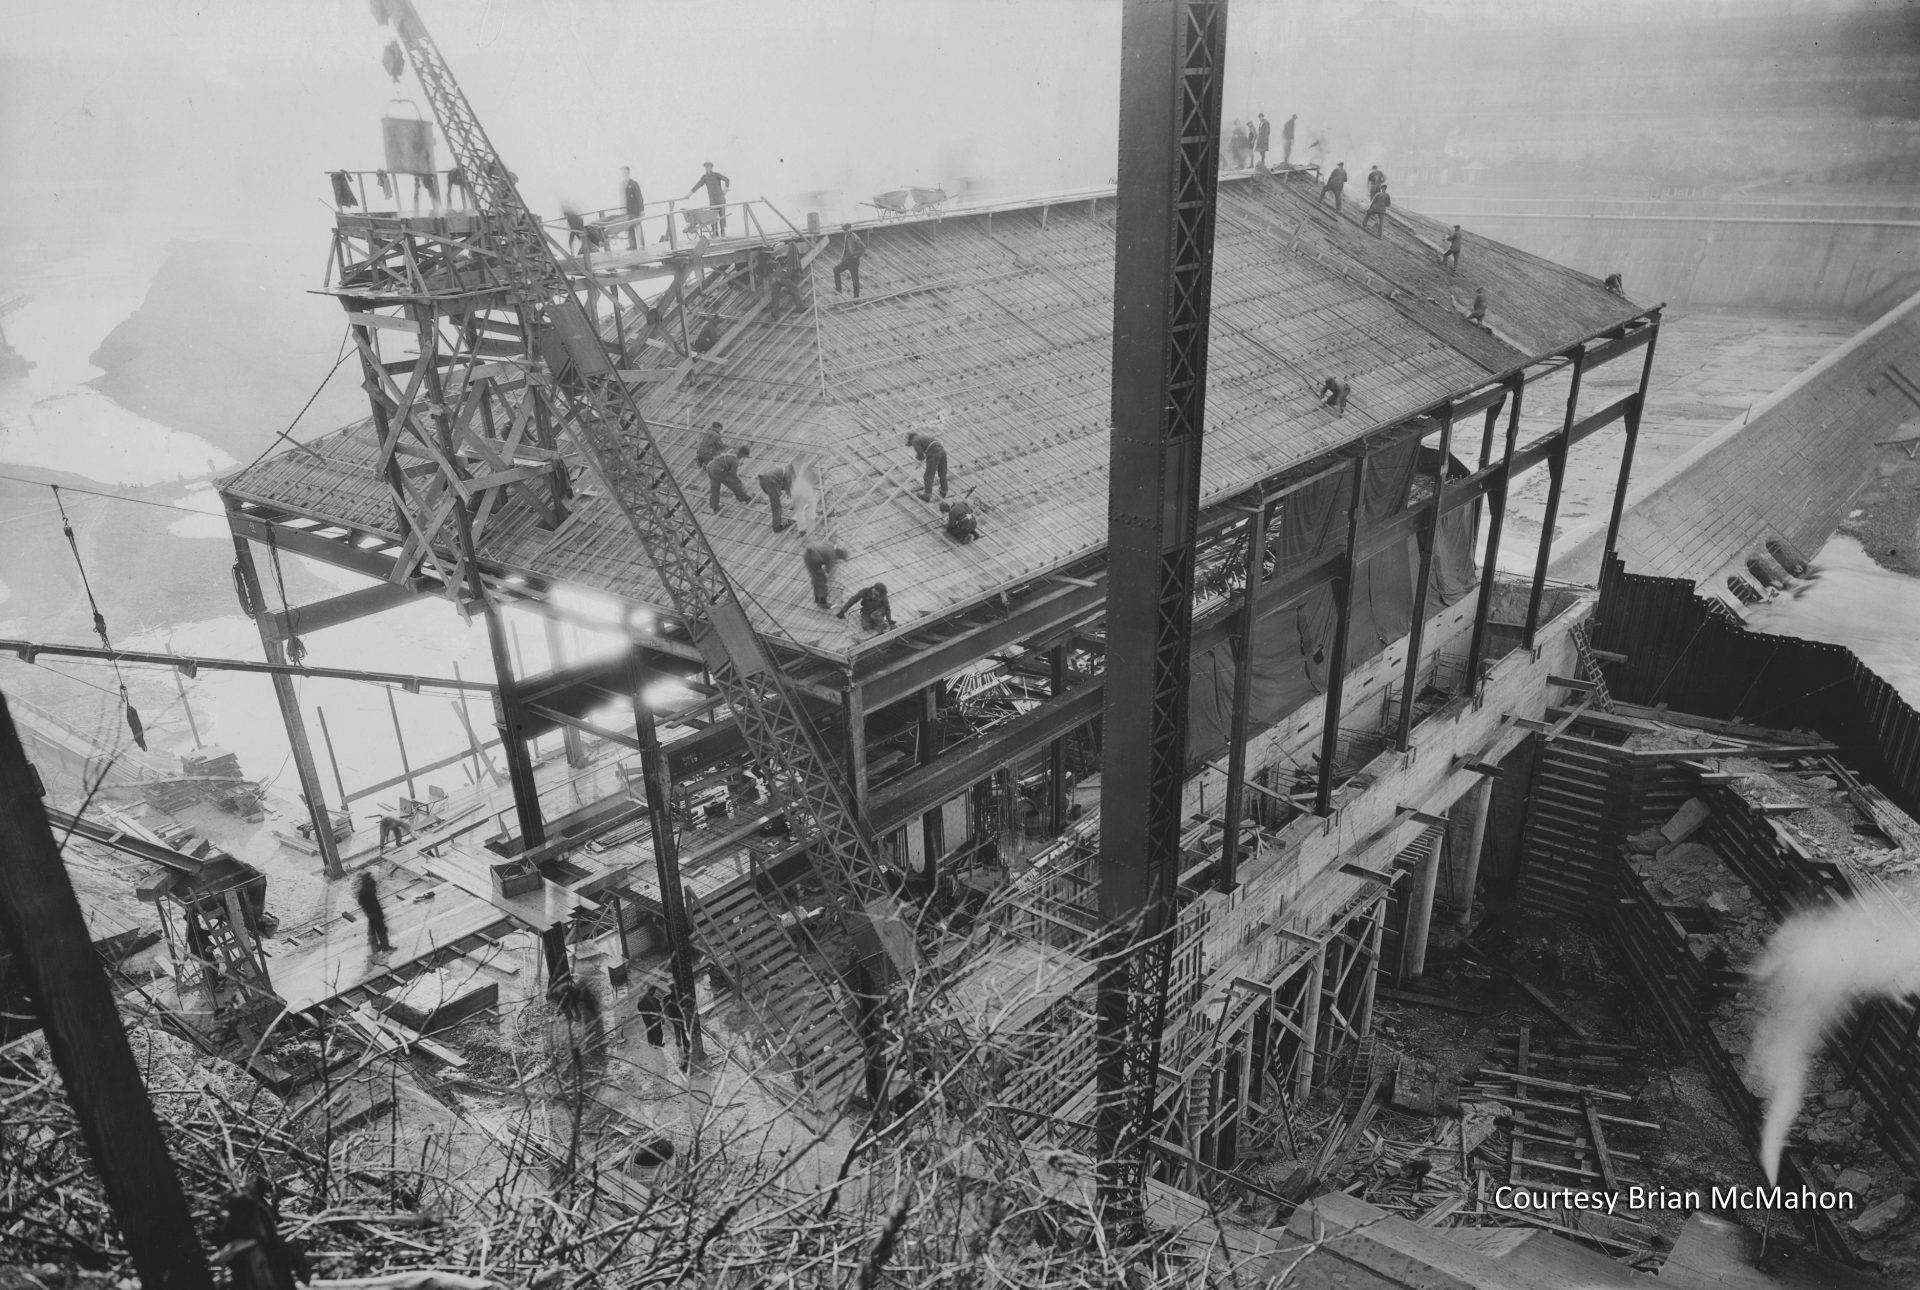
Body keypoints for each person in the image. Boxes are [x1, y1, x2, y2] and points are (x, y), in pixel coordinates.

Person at [686, 162, 730, 234]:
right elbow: (697, 185)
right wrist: (689, 195)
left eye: (709, 167)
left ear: (712, 167)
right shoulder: (704, 178)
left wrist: (725, 191)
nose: (707, 168)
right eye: (706, 167)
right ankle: (715, 233)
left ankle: (723, 232)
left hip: (720, 199)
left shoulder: (716, 175)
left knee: (722, 216)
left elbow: (727, 180)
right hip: (712, 201)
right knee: (713, 217)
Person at [804, 540, 850, 607]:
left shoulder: (831, 546)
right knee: (821, 580)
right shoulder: (832, 555)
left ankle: (817, 599)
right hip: (813, 559)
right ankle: (822, 603)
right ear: (840, 555)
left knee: (816, 579)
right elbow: (828, 570)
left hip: (808, 556)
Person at [356, 872, 393, 954]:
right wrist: (377, 912)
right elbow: (373, 903)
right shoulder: (368, 890)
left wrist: (367, 910)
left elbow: (361, 902)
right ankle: (385, 947)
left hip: (371, 914)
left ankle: (376, 948)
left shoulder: (365, 889)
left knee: (373, 932)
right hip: (374, 914)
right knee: (381, 931)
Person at [707, 445, 753, 512]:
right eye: (743, 456)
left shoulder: (730, 451)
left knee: (714, 489)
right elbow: (733, 474)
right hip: (719, 471)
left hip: (710, 467)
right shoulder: (735, 461)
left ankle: (715, 508)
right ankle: (746, 498)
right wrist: (738, 481)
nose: (742, 458)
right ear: (741, 453)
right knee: (734, 485)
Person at [906, 431, 948, 500]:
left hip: (934, 452)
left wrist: (918, 459)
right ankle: (944, 490)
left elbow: (920, 454)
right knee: (942, 473)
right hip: (942, 450)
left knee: (928, 475)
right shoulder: (924, 437)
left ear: (910, 439)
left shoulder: (915, 440)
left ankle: (927, 495)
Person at [758, 460, 797, 532]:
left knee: (777, 503)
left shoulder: (783, 470)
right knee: (776, 507)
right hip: (770, 483)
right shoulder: (788, 473)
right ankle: (777, 527)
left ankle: (778, 519)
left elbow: (786, 487)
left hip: (764, 482)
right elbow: (788, 487)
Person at [834, 224, 866, 298]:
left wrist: (857, 255)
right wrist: (842, 258)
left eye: (847, 230)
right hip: (847, 260)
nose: (846, 231)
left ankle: (856, 297)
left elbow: (863, 248)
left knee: (855, 280)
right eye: (845, 230)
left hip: (854, 261)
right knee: (836, 270)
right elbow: (845, 248)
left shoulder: (855, 237)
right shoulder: (846, 236)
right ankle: (838, 289)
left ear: (850, 229)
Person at [621, 166, 644, 250]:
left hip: (635, 210)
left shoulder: (633, 183)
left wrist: (641, 209)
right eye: (622, 172)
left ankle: (642, 244)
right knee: (629, 228)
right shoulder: (623, 184)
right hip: (628, 211)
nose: (623, 174)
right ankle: (632, 246)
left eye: (624, 172)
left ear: (628, 172)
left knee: (638, 226)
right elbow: (623, 199)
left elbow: (639, 197)